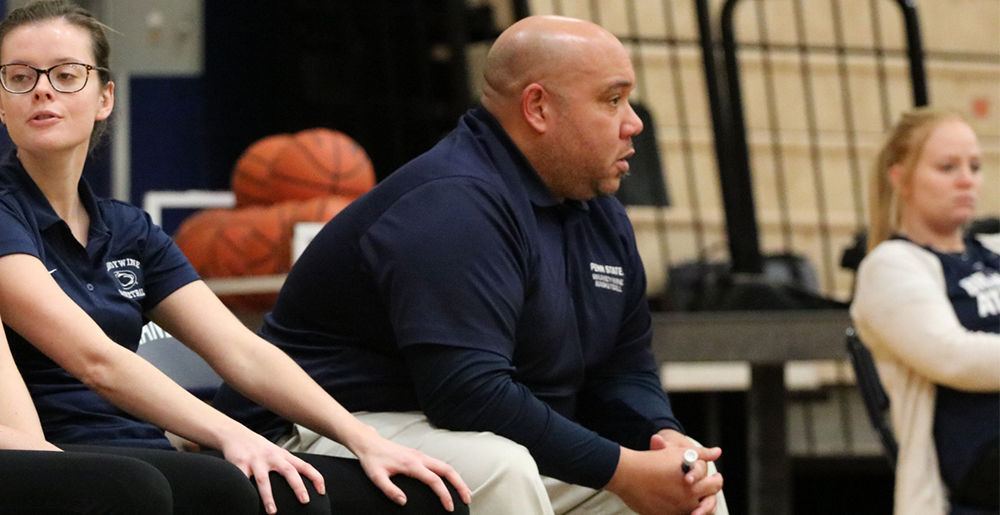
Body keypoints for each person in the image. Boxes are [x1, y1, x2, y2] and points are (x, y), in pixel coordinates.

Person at [215, 15, 725, 515]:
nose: (634, 122)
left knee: (693, 488)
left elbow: (624, 368)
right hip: (311, 432)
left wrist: (664, 441)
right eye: (612, 100)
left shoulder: (599, 214)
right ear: (539, 108)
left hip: (460, 432)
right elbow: (467, 393)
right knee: (502, 467)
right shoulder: (453, 204)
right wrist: (620, 470)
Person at [0, 1, 470, 514]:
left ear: (105, 97)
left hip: (148, 451)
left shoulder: (128, 229)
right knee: (257, 493)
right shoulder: (5, 212)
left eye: (67, 74)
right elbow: (96, 361)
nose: (42, 88)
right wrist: (231, 433)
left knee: (422, 497)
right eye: (19, 77)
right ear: (1, 103)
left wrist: (362, 439)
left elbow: (242, 351)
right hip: (73, 460)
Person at [850, 107, 999, 515]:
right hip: (975, 452)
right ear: (901, 178)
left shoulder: (993, 250)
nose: (967, 179)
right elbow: (952, 356)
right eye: (947, 167)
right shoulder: (891, 265)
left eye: (974, 165)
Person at [0, 309, 179, 515]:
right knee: (131, 486)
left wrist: (45, 461)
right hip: (69, 430)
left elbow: (3, 370)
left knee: (213, 482)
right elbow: (97, 366)